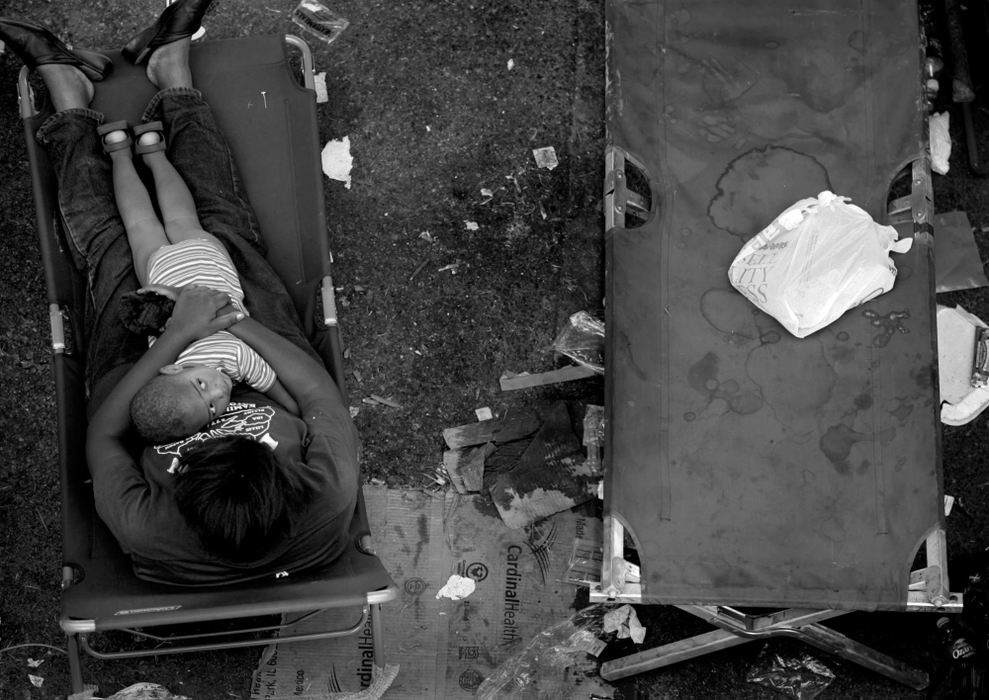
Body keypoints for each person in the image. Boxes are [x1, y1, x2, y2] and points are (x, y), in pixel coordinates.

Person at [0, 0, 360, 584]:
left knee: (112, 248)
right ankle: (174, 79)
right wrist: (227, 318)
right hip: (250, 344)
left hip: (148, 368)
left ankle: (69, 100)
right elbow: (319, 393)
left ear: (183, 484)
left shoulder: (148, 526)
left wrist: (176, 334)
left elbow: (106, 434)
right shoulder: (325, 492)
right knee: (221, 230)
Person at [100, 116, 298, 444]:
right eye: (212, 409)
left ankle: (142, 153)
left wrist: (293, 409)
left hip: (207, 266)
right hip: (163, 277)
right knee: (144, 223)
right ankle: (132, 150)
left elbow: (271, 383)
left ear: (173, 369)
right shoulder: (169, 362)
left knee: (171, 218)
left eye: (202, 386)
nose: (219, 391)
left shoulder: (233, 359)